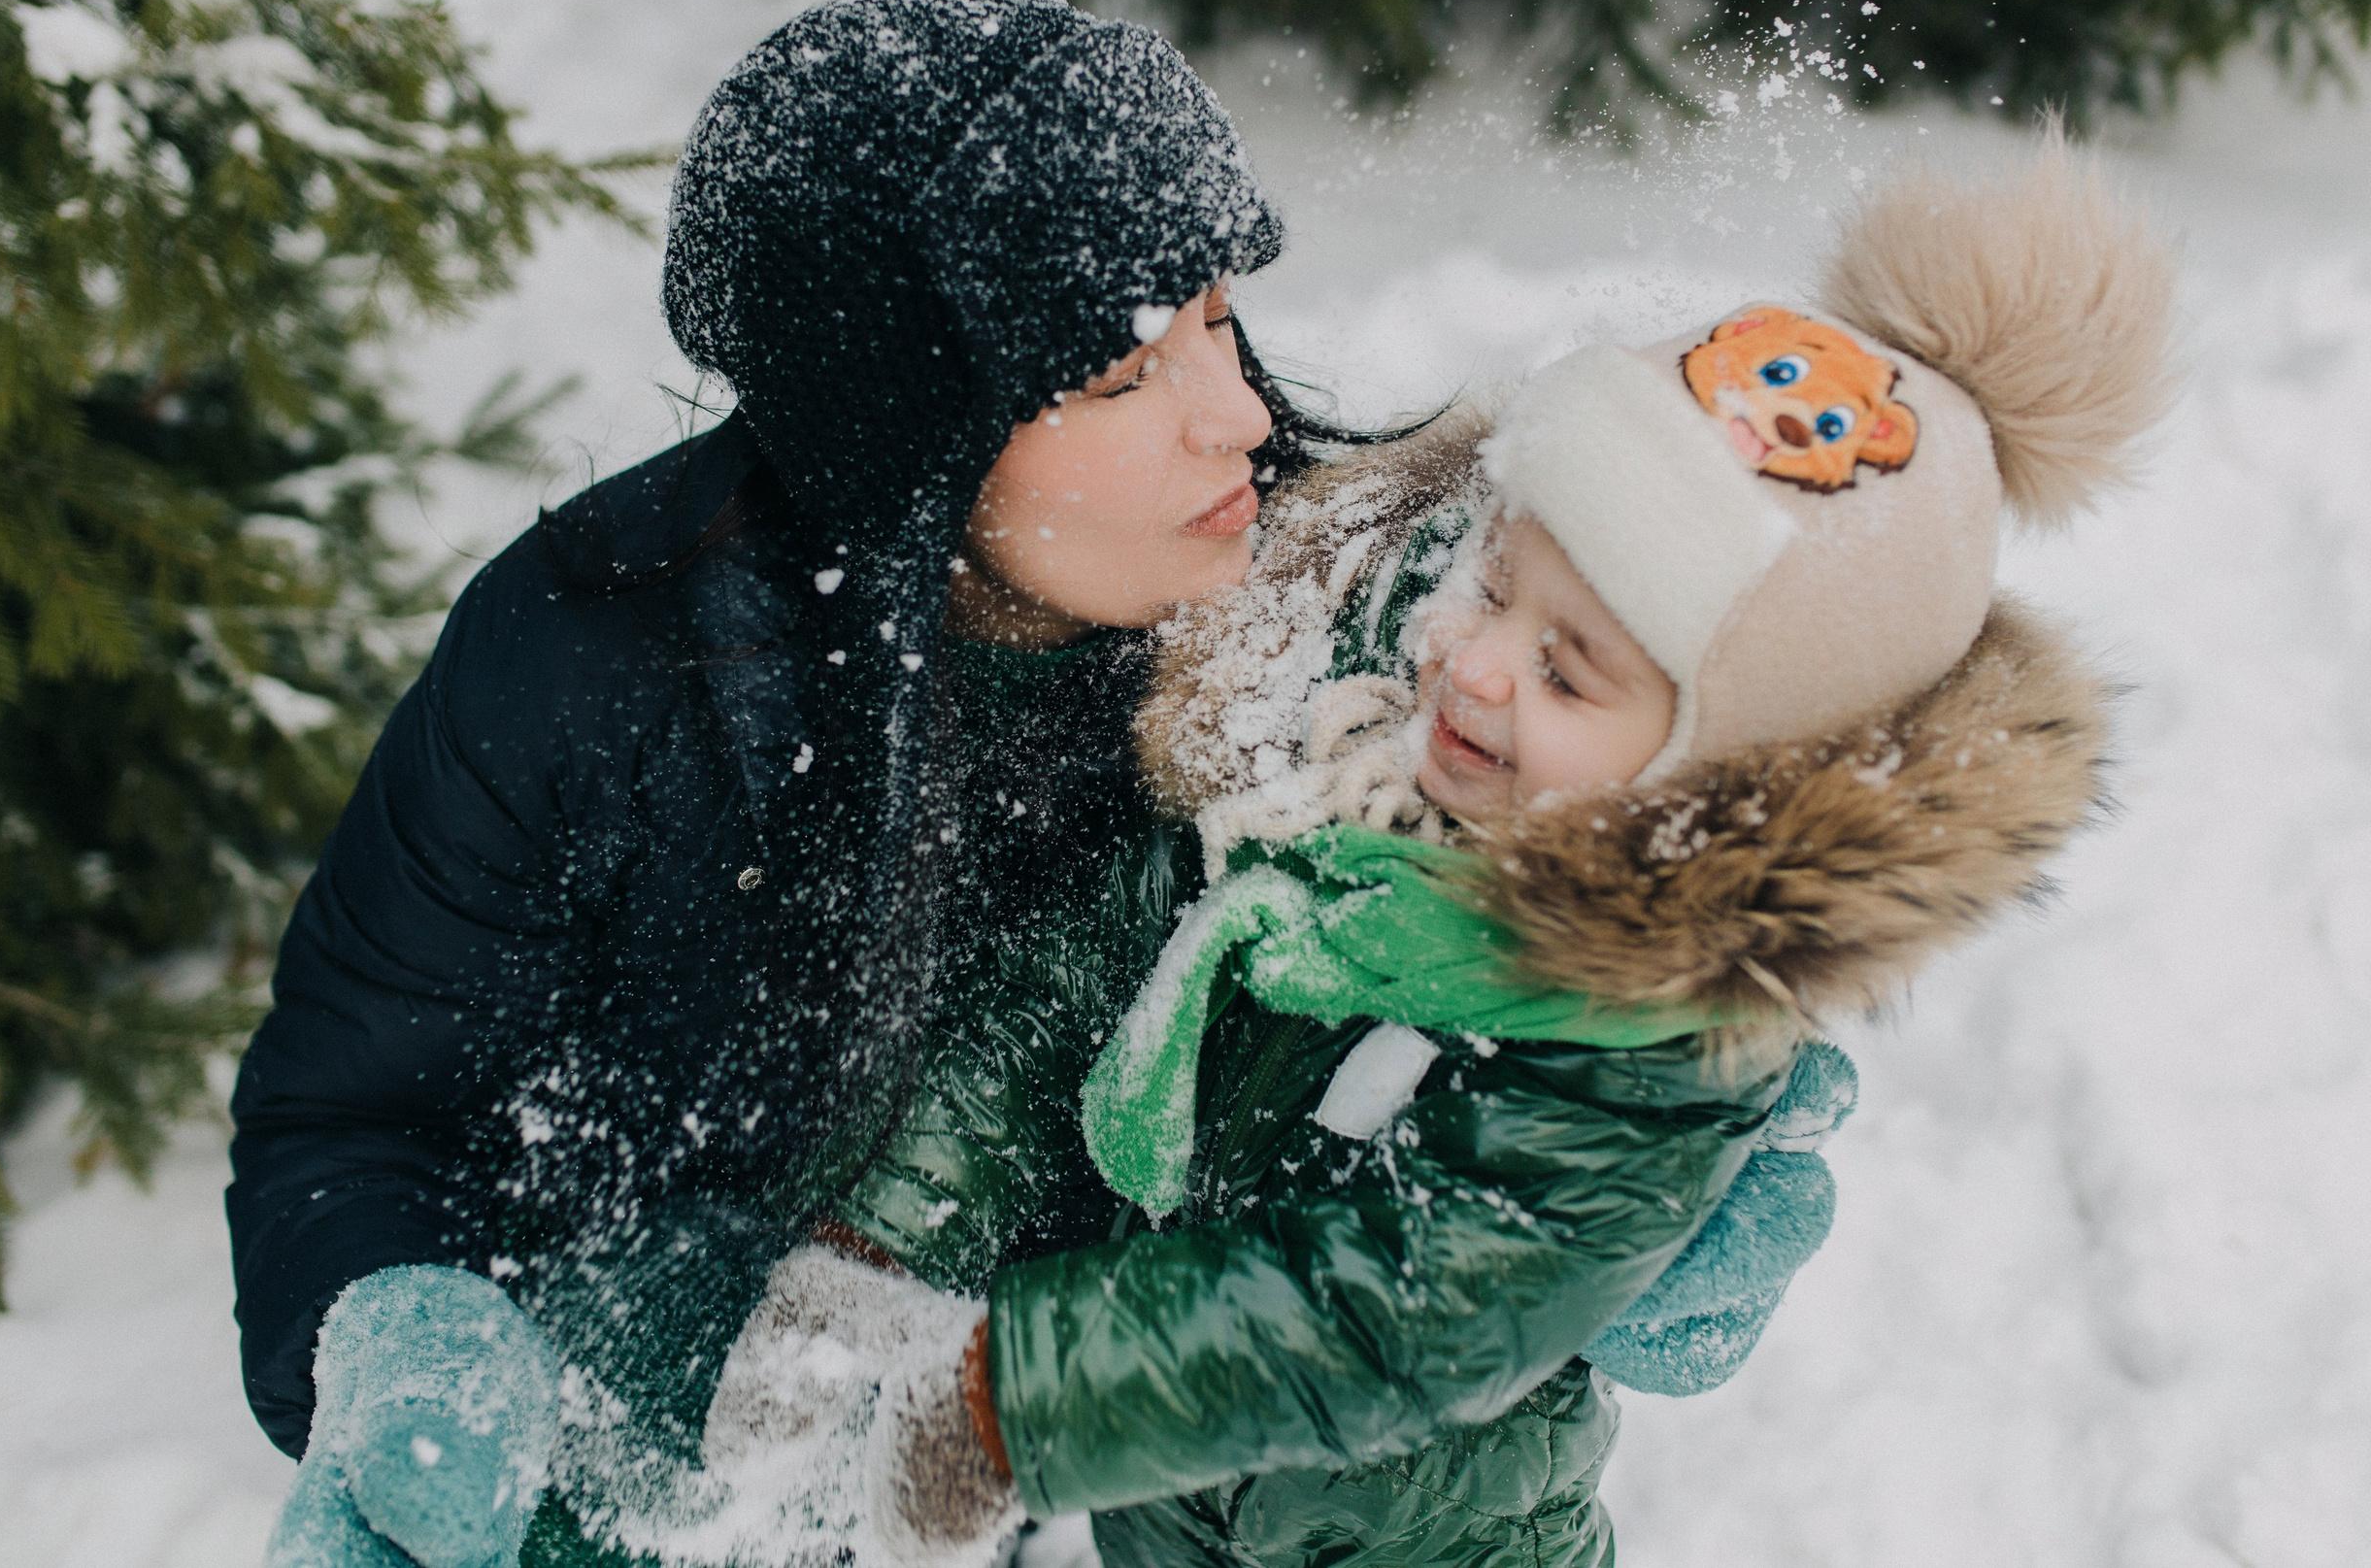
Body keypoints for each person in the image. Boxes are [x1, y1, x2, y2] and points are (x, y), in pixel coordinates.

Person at [700, 142, 2174, 1568]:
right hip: (1177, 1511)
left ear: (1722, 767)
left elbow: (1402, 1309)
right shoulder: (1344, 778)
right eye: (1492, 582)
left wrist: (1010, 1409)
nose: (1471, 668)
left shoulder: (1639, 1036)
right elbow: (1082, 981)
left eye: (1574, 673)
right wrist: (883, 1249)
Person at [238, 0, 1398, 1568]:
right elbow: (358, 1116)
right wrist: (406, 1337)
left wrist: (1644, 1163)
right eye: (1122, 374)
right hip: (689, 1450)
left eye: (1216, 317)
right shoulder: (595, 660)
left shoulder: (1373, 645)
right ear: (909, 433)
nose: (1244, 416)